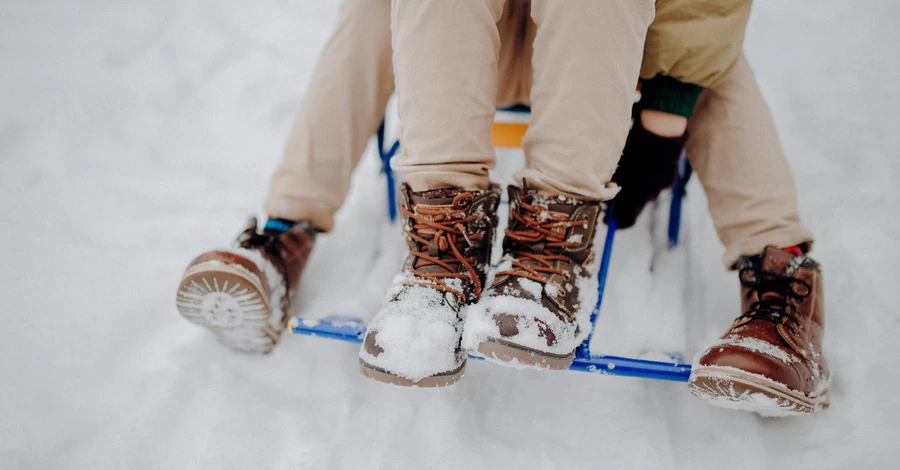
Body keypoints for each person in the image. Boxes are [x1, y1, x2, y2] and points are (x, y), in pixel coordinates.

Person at [176, 0, 828, 414]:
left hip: (614, 40)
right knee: (375, 10)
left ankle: (777, 282)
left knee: (708, 54)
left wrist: (665, 117)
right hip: (462, 37)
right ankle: (306, 239)